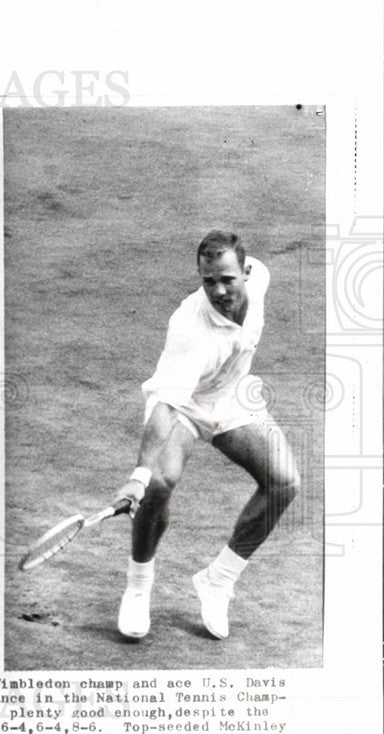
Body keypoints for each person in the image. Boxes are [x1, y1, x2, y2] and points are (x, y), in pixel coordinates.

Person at [114, 230, 300, 640]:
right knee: (161, 483)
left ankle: (219, 579)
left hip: (233, 396)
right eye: (208, 281)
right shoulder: (189, 330)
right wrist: (140, 475)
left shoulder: (261, 277)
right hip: (182, 407)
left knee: (284, 482)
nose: (217, 290)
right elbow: (164, 408)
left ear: (246, 272)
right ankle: (138, 585)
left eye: (227, 279)